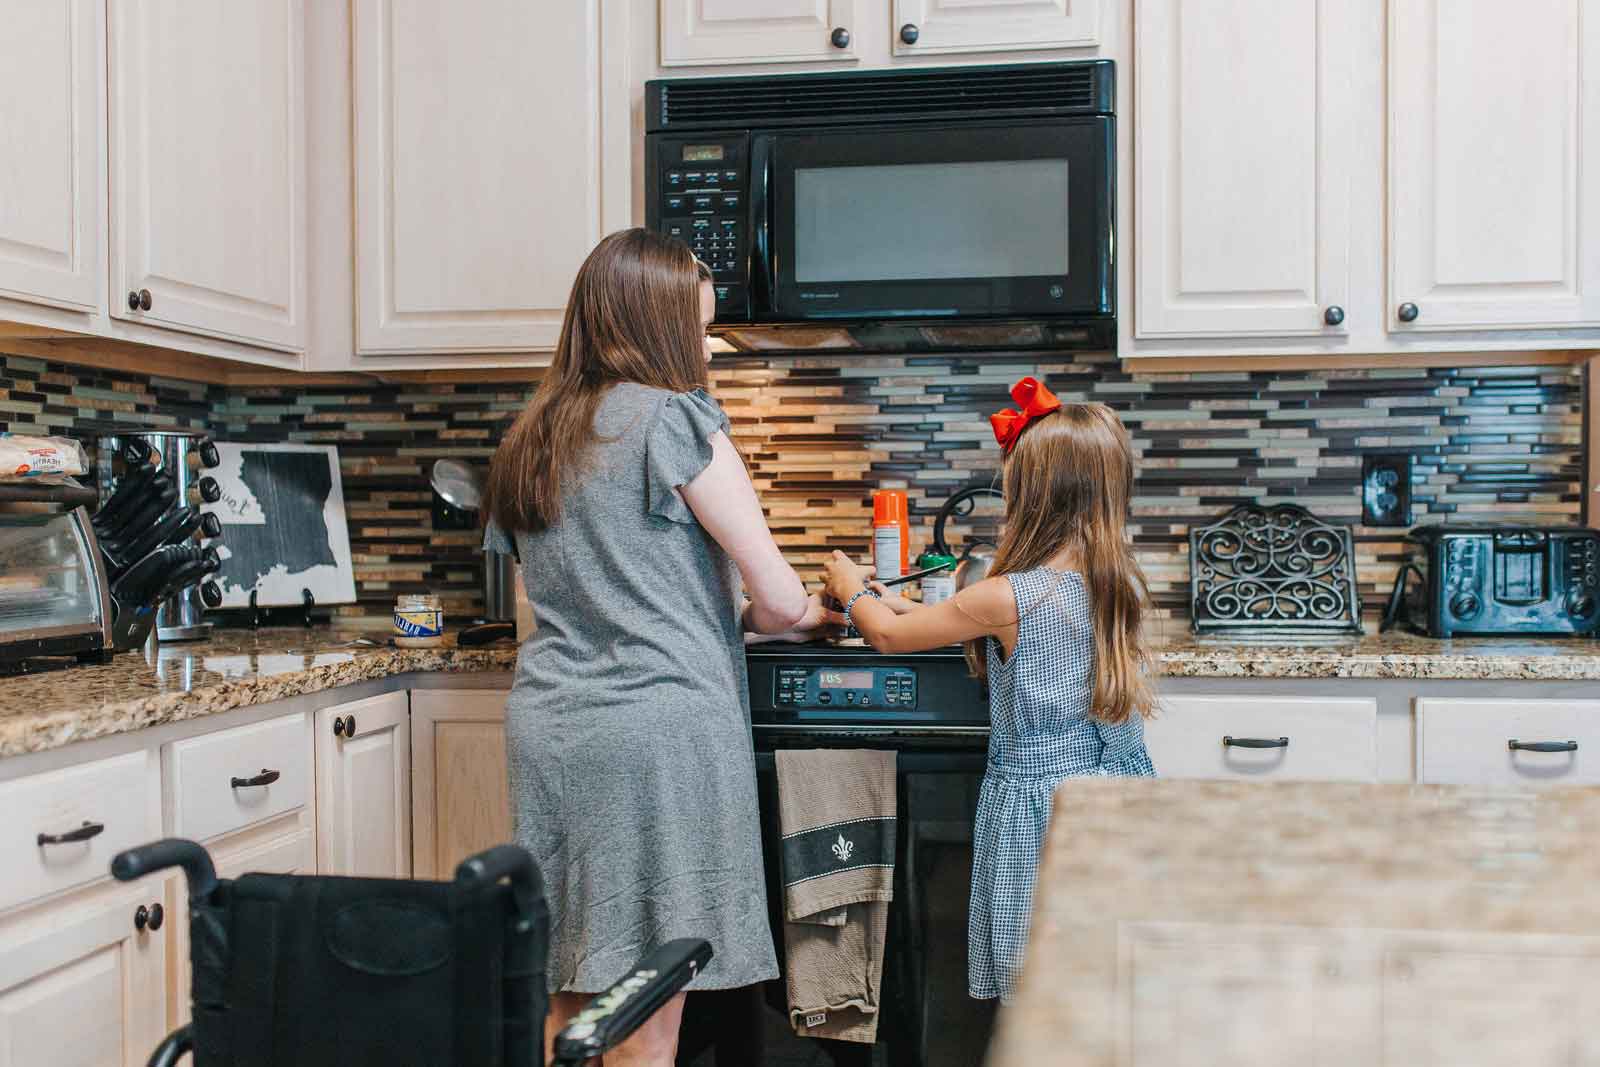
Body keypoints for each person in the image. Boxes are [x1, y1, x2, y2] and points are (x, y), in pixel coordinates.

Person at [483, 228, 838, 1066]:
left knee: (572, 999)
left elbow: (610, 591)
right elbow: (778, 594)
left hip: (552, 736)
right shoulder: (676, 419)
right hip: (657, 741)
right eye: (697, 329)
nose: (703, 350)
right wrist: (805, 612)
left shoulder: (530, 433)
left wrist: (737, 613)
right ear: (657, 326)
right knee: (647, 1010)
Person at [821, 377, 1158, 1003]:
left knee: (1032, 982)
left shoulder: (1008, 596)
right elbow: (943, 619)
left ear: (1031, 494)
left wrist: (850, 587)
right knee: (1089, 977)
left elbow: (888, 638)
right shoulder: (1117, 583)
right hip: (1111, 799)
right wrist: (891, 600)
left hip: (1037, 812)